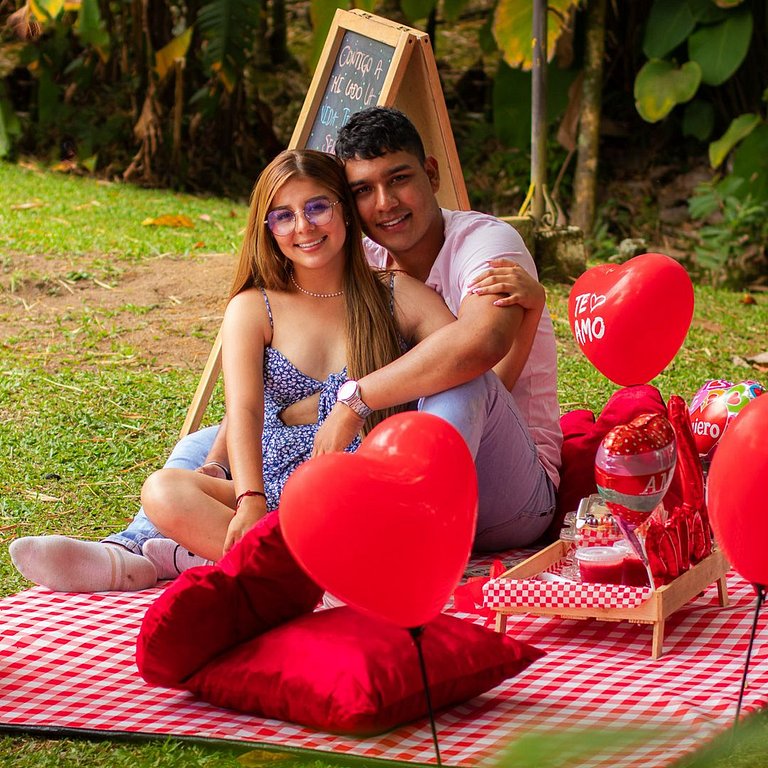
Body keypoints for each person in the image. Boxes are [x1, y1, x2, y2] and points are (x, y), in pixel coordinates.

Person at [11, 107, 558, 590]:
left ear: (431, 174)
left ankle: (384, 557)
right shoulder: (339, 268)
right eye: (364, 189)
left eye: (399, 180)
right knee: (189, 463)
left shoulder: (467, 254)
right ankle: (138, 553)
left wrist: (346, 402)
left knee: (457, 379)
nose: (383, 203)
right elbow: (245, 406)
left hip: (465, 482)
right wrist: (235, 481)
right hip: (307, 485)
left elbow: (477, 366)